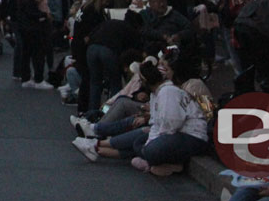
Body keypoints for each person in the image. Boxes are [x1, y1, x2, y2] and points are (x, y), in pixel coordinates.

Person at [73, 59, 208, 175]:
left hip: (189, 134)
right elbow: (159, 122)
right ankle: (96, 144)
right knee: (139, 140)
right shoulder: (159, 92)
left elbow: (177, 121)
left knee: (147, 146)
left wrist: (153, 141)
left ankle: (95, 136)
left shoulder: (180, 88)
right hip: (175, 132)